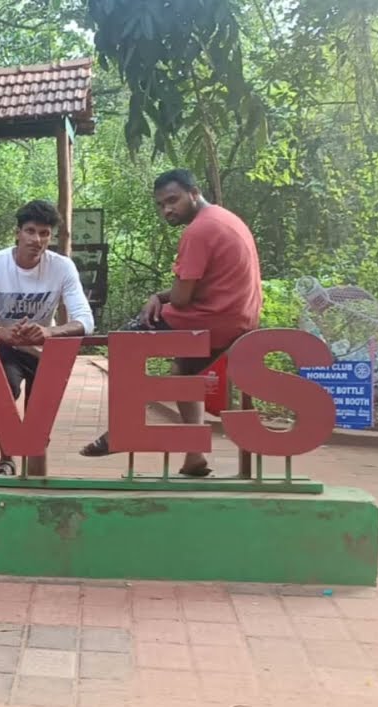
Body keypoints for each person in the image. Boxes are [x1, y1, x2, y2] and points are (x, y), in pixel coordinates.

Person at [80, 169, 263, 476]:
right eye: (161, 204)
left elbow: (180, 299)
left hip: (211, 319)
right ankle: (194, 457)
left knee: (125, 340)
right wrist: (161, 295)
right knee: (182, 371)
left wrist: (161, 298)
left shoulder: (199, 231)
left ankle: (123, 430)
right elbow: (189, 289)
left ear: (194, 192)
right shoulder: (224, 218)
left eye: (173, 200)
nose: (167, 209)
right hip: (239, 318)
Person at [0, 200, 94, 477]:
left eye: (44, 233)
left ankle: (36, 479)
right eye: (30, 231)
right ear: (17, 233)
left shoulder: (62, 267)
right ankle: (6, 459)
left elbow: (86, 319)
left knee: (38, 419)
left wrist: (49, 332)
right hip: (6, 347)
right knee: (4, 391)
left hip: (45, 350)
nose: (37, 239)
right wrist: (0, 332)